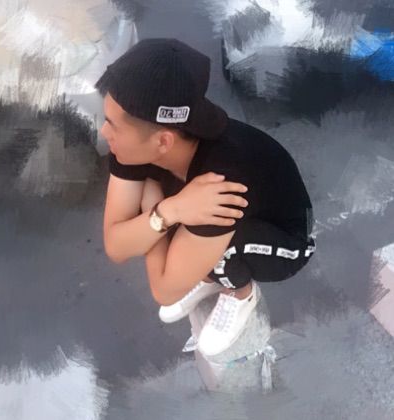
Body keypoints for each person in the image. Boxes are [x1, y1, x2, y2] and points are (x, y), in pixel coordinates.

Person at [94, 38, 316, 357]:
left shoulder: (223, 182)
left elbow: (164, 291)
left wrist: (153, 214)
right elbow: (116, 246)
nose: (105, 134)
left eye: (113, 125)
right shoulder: (137, 143)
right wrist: (167, 209)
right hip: (205, 206)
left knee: (218, 236)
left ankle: (240, 291)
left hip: (282, 241)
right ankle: (202, 267)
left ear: (163, 142)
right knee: (174, 204)